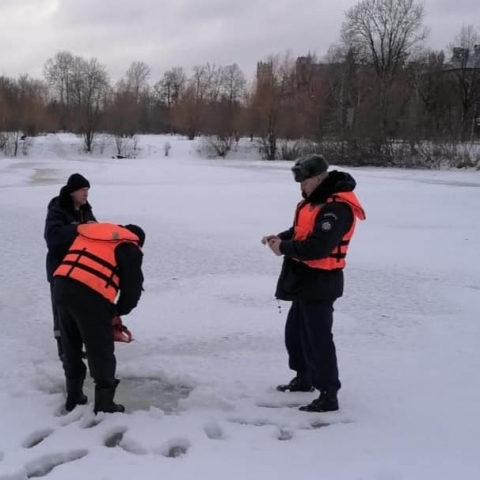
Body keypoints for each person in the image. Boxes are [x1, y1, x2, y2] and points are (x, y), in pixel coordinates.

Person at [262, 154, 365, 412]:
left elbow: (319, 246)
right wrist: (280, 238)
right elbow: (300, 232)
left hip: (321, 281)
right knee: (295, 334)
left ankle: (329, 393)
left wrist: (283, 248)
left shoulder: (336, 208)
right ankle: (304, 377)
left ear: (319, 178)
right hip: (303, 279)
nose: (301, 187)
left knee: (317, 338)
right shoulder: (314, 202)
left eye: (304, 181)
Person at [52, 222, 145, 414]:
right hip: (89, 296)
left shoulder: (97, 237)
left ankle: (74, 397)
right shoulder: (129, 247)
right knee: (100, 350)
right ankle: (105, 405)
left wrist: (110, 309)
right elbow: (132, 290)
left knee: (71, 344)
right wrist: (118, 311)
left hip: (61, 288)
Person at [44, 173, 96, 361]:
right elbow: (52, 237)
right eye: (83, 190)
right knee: (61, 310)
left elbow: (94, 232)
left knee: (79, 310)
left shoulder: (86, 210)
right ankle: (64, 350)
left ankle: (76, 345)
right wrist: (79, 229)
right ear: (73, 191)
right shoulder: (58, 209)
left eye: (87, 190)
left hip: (81, 269)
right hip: (60, 268)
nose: (86, 194)